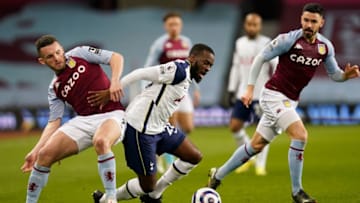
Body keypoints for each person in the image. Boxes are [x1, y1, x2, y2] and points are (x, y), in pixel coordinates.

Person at [208, 3, 359, 203]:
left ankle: (217, 175)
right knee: (300, 135)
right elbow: (260, 58)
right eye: (306, 20)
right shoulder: (288, 40)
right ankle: (297, 192)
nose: (308, 24)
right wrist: (249, 88)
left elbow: (335, 75)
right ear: (301, 20)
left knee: (256, 145)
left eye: (313, 21)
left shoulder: (325, 47)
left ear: (321, 23)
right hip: (273, 95)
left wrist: (346, 76)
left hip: (291, 100)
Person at [91, 44, 215, 203]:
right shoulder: (177, 70)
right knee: (147, 185)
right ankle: (105, 199)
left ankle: (155, 195)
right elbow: (139, 73)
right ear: (192, 58)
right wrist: (112, 92)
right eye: (205, 62)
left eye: (210, 65)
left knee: (193, 156)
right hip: (140, 129)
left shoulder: (187, 76)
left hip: (160, 128)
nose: (208, 68)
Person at [21, 35, 126, 203]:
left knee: (101, 141)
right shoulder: (54, 88)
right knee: (44, 155)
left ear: (62, 49)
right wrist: (34, 151)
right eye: (50, 56)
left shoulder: (80, 53)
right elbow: (53, 122)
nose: (56, 58)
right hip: (83, 120)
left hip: (112, 114)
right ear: (42, 61)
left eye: (58, 52)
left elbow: (116, 57)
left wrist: (115, 81)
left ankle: (111, 198)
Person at [143, 11, 200, 172]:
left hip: (184, 90)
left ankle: (158, 151)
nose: (174, 27)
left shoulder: (186, 43)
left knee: (188, 127)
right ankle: (169, 160)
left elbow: (192, 68)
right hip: (166, 91)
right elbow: (149, 66)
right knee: (170, 125)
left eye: (177, 24)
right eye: (171, 24)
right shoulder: (160, 44)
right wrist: (146, 90)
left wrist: (196, 89)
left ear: (181, 25)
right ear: (166, 26)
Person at [227, 13, 278, 176]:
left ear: (260, 26)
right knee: (235, 127)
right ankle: (250, 156)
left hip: (262, 93)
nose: (252, 27)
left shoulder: (266, 42)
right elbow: (236, 66)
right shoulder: (239, 43)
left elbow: (275, 64)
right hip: (243, 92)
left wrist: (276, 87)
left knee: (262, 131)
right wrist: (231, 89)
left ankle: (260, 166)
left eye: (255, 24)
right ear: (245, 25)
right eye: (249, 24)